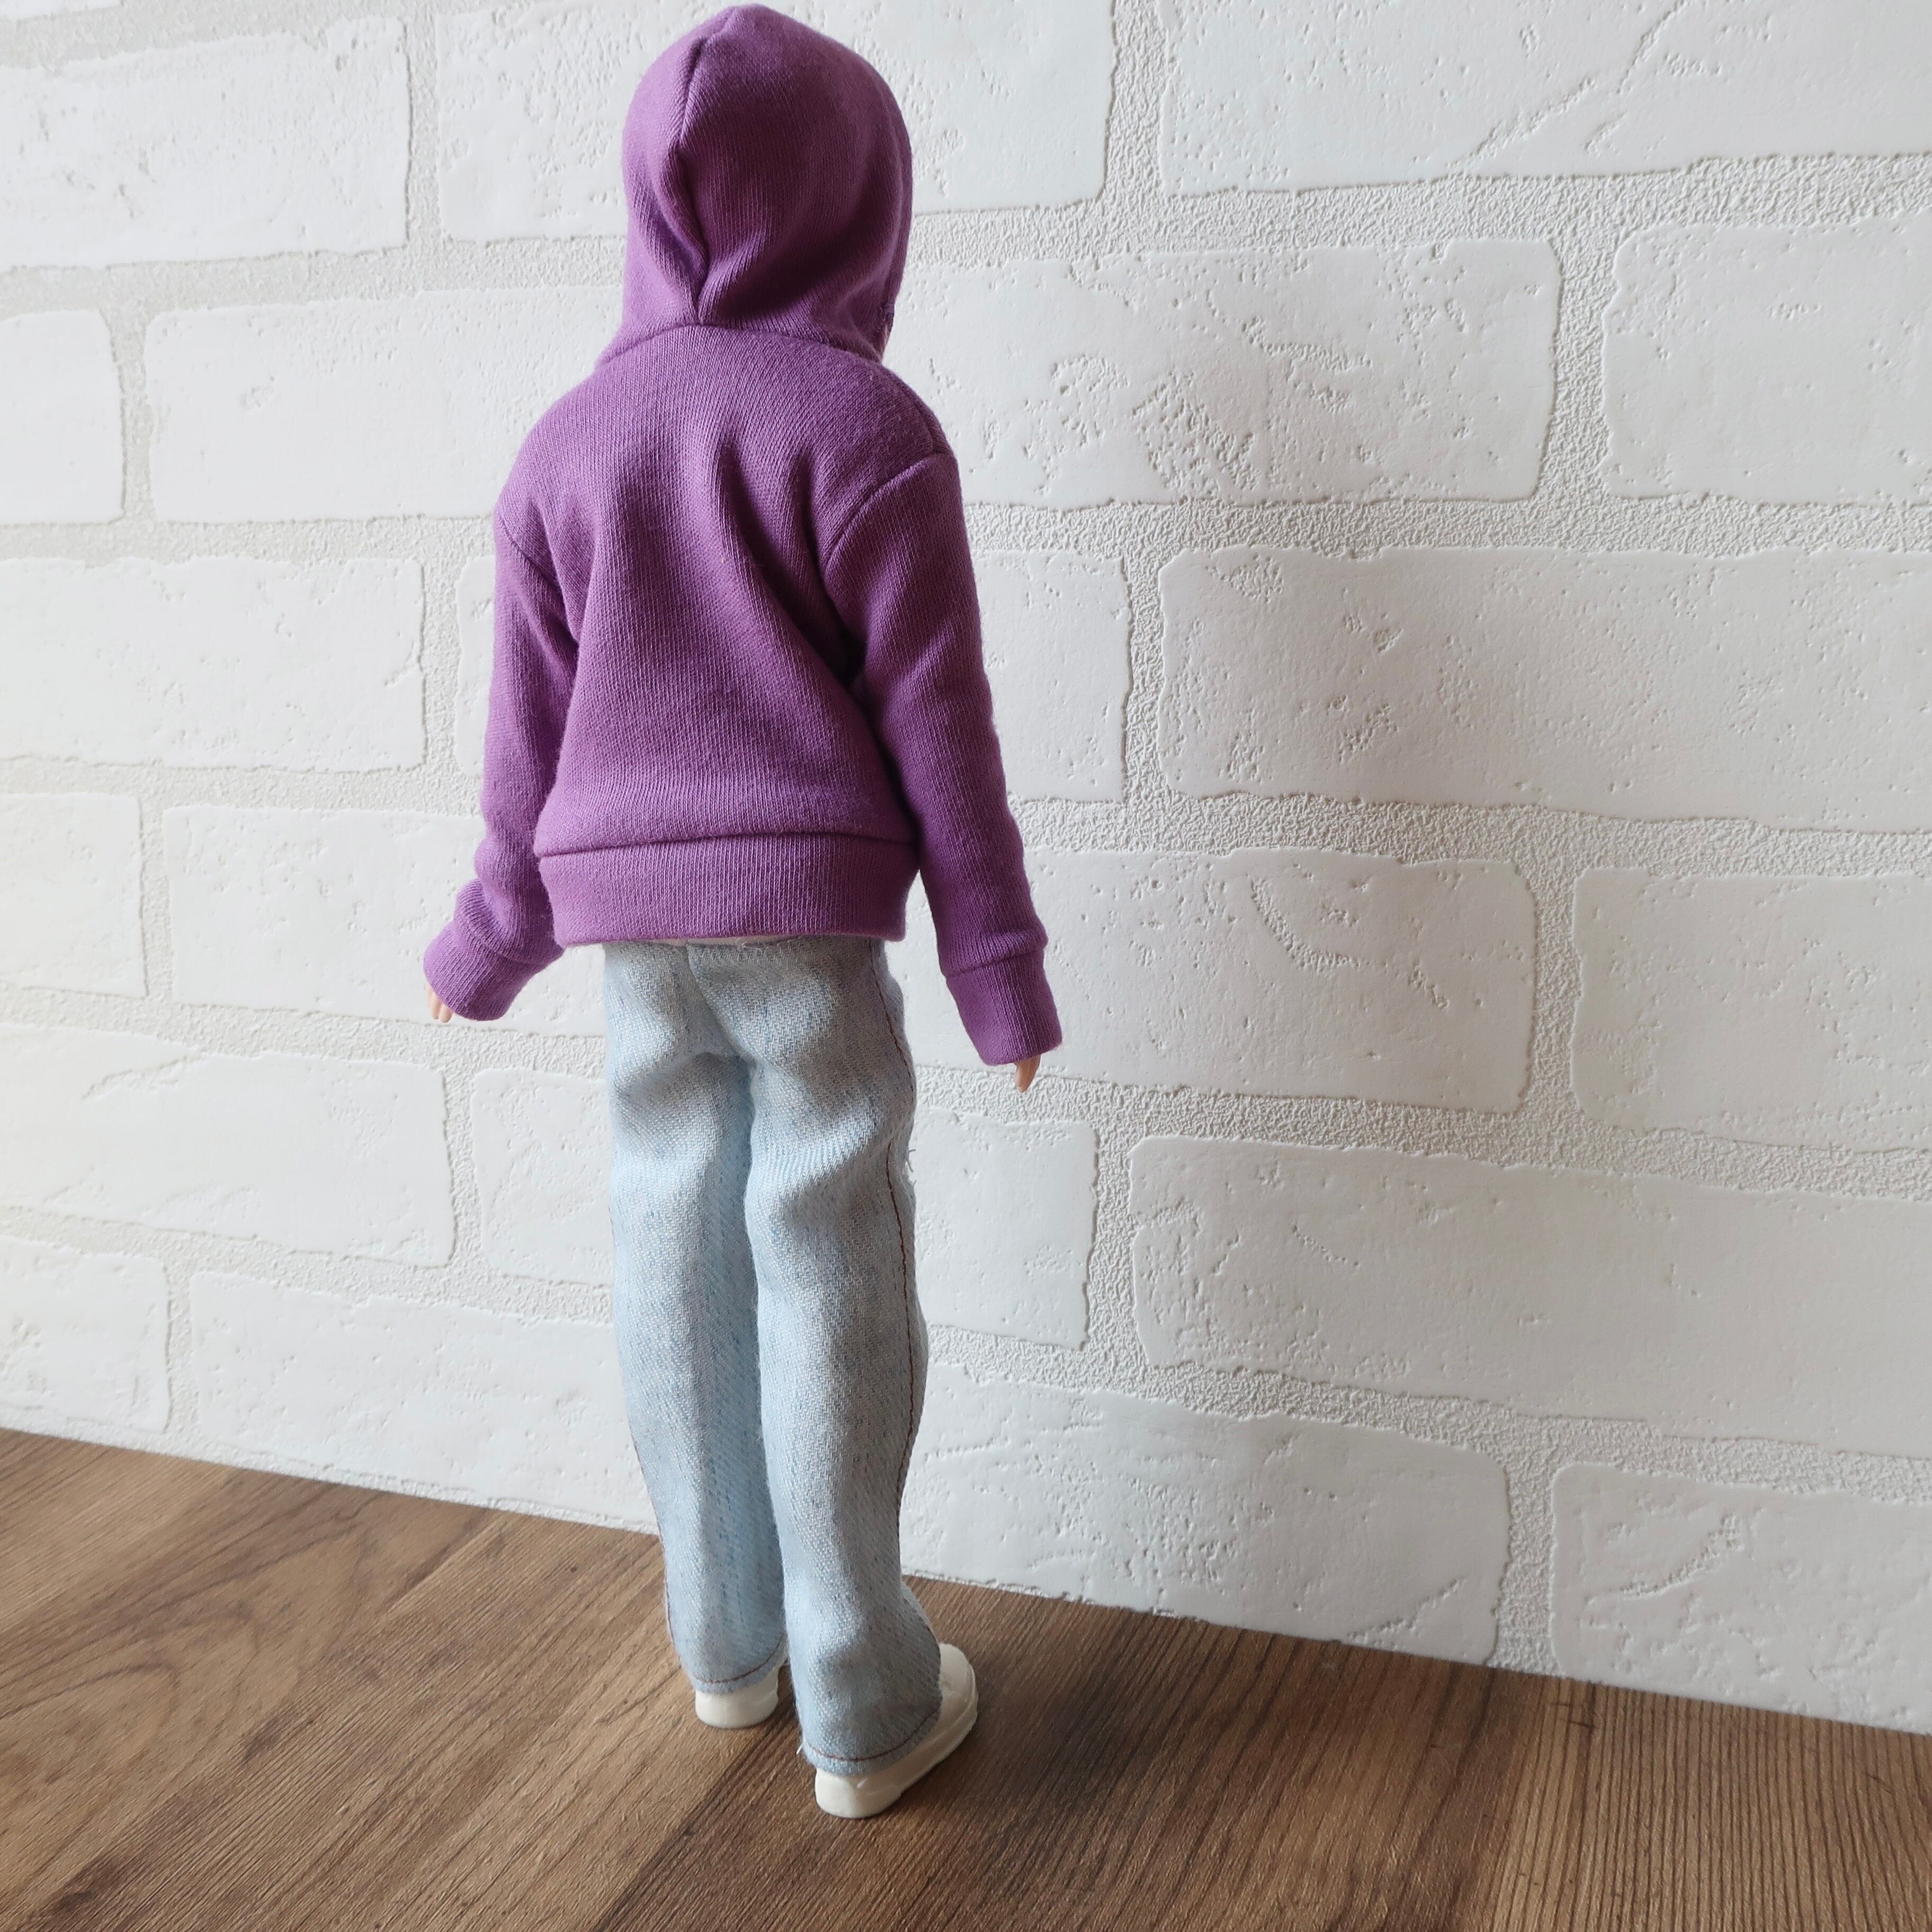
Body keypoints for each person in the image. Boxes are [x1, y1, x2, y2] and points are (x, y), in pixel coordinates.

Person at [422, 4, 1060, 1820]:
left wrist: (488, 939)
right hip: (808, 931)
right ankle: (864, 1699)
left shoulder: (564, 447)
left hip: (630, 938)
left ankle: (725, 1644)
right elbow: (943, 728)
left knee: (668, 1248)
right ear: (860, 206)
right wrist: (998, 969)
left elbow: (526, 745)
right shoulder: (866, 429)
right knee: (827, 1254)